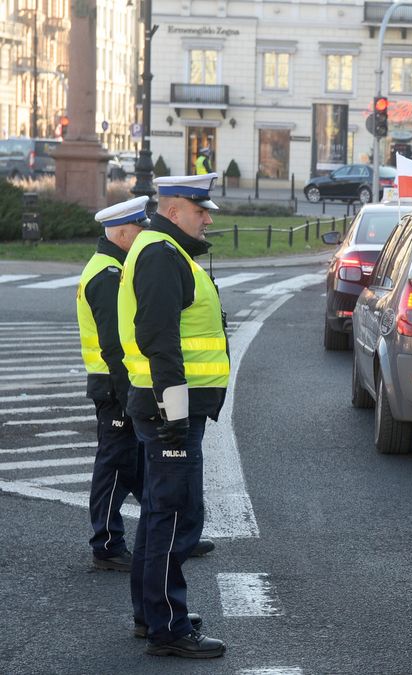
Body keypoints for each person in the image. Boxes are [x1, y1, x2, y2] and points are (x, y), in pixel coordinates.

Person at [118, 173, 227, 658]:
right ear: (175, 209)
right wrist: (175, 412)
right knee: (176, 515)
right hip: (170, 409)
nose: (207, 219)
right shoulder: (161, 254)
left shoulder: (164, 250)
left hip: (164, 404)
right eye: (200, 210)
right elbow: (158, 336)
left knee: (162, 513)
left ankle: (152, 613)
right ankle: (168, 627)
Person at [80, 197, 148, 572]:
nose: (143, 235)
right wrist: (129, 396)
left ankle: (169, 529)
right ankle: (106, 544)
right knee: (115, 464)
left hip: (118, 383)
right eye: (139, 230)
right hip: (114, 385)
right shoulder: (107, 275)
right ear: (122, 234)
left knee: (136, 464)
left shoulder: (111, 267)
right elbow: (113, 345)